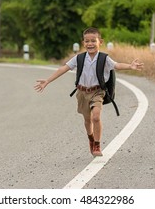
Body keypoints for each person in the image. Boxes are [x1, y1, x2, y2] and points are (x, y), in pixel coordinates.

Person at [34, 27, 144, 157]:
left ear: (100, 42)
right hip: (82, 92)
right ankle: (91, 138)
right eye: (87, 41)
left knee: (96, 116)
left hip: (98, 91)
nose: (90, 44)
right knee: (87, 120)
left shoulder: (104, 59)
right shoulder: (79, 58)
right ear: (83, 43)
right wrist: (47, 81)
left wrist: (130, 66)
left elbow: (117, 65)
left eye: (93, 40)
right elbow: (63, 68)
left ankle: (97, 144)